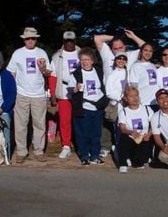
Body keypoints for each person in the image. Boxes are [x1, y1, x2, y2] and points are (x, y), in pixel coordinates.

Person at [7, 27, 50, 163]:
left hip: (39, 94)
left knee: (39, 124)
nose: (30, 41)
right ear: (24, 40)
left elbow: (48, 73)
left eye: (33, 38)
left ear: (36, 39)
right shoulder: (17, 53)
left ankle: (38, 151)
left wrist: (42, 68)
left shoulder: (41, 52)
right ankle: (21, 152)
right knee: (20, 124)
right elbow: (11, 73)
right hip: (21, 94)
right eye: (27, 38)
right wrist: (11, 92)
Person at [69, 47, 107, 166]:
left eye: (87, 59)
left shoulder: (99, 71)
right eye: (82, 60)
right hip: (84, 107)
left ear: (92, 60)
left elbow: (104, 86)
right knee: (83, 134)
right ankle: (85, 156)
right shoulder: (76, 73)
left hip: (98, 107)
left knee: (96, 134)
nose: (85, 62)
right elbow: (70, 89)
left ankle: (95, 156)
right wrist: (74, 90)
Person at [48, 31, 81, 159]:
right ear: (63, 41)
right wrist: (52, 92)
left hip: (79, 92)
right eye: (66, 41)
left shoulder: (82, 53)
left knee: (79, 119)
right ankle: (66, 145)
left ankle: (80, 143)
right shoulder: (57, 56)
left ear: (75, 41)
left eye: (71, 40)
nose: (69, 43)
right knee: (64, 120)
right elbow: (52, 75)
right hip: (63, 92)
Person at [118, 86, 153, 173]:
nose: (135, 98)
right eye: (131, 96)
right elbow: (122, 128)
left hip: (144, 139)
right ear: (126, 98)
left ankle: (132, 157)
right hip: (130, 139)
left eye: (136, 95)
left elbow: (155, 125)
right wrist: (131, 132)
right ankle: (123, 163)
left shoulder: (147, 109)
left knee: (139, 164)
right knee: (124, 138)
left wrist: (149, 135)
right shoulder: (124, 112)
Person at [0, 51, 16, 160]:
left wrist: (3, 108)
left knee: (5, 131)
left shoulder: (7, 76)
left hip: (3, 109)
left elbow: (12, 94)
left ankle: (5, 155)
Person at [105, 51, 129, 153]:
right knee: (118, 128)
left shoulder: (128, 73)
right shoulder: (111, 75)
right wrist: (121, 98)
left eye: (123, 59)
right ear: (115, 60)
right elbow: (108, 93)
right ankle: (119, 148)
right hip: (117, 105)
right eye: (119, 58)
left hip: (128, 105)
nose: (121, 61)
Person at [129, 42, 158, 111]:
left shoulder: (152, 65)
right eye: (146, 50)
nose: (148, 53)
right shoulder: (135, 66)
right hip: (144, 102)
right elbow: (133, 86)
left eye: (150, 51)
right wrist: (137, 102)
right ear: (141, 52)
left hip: (156, 102)